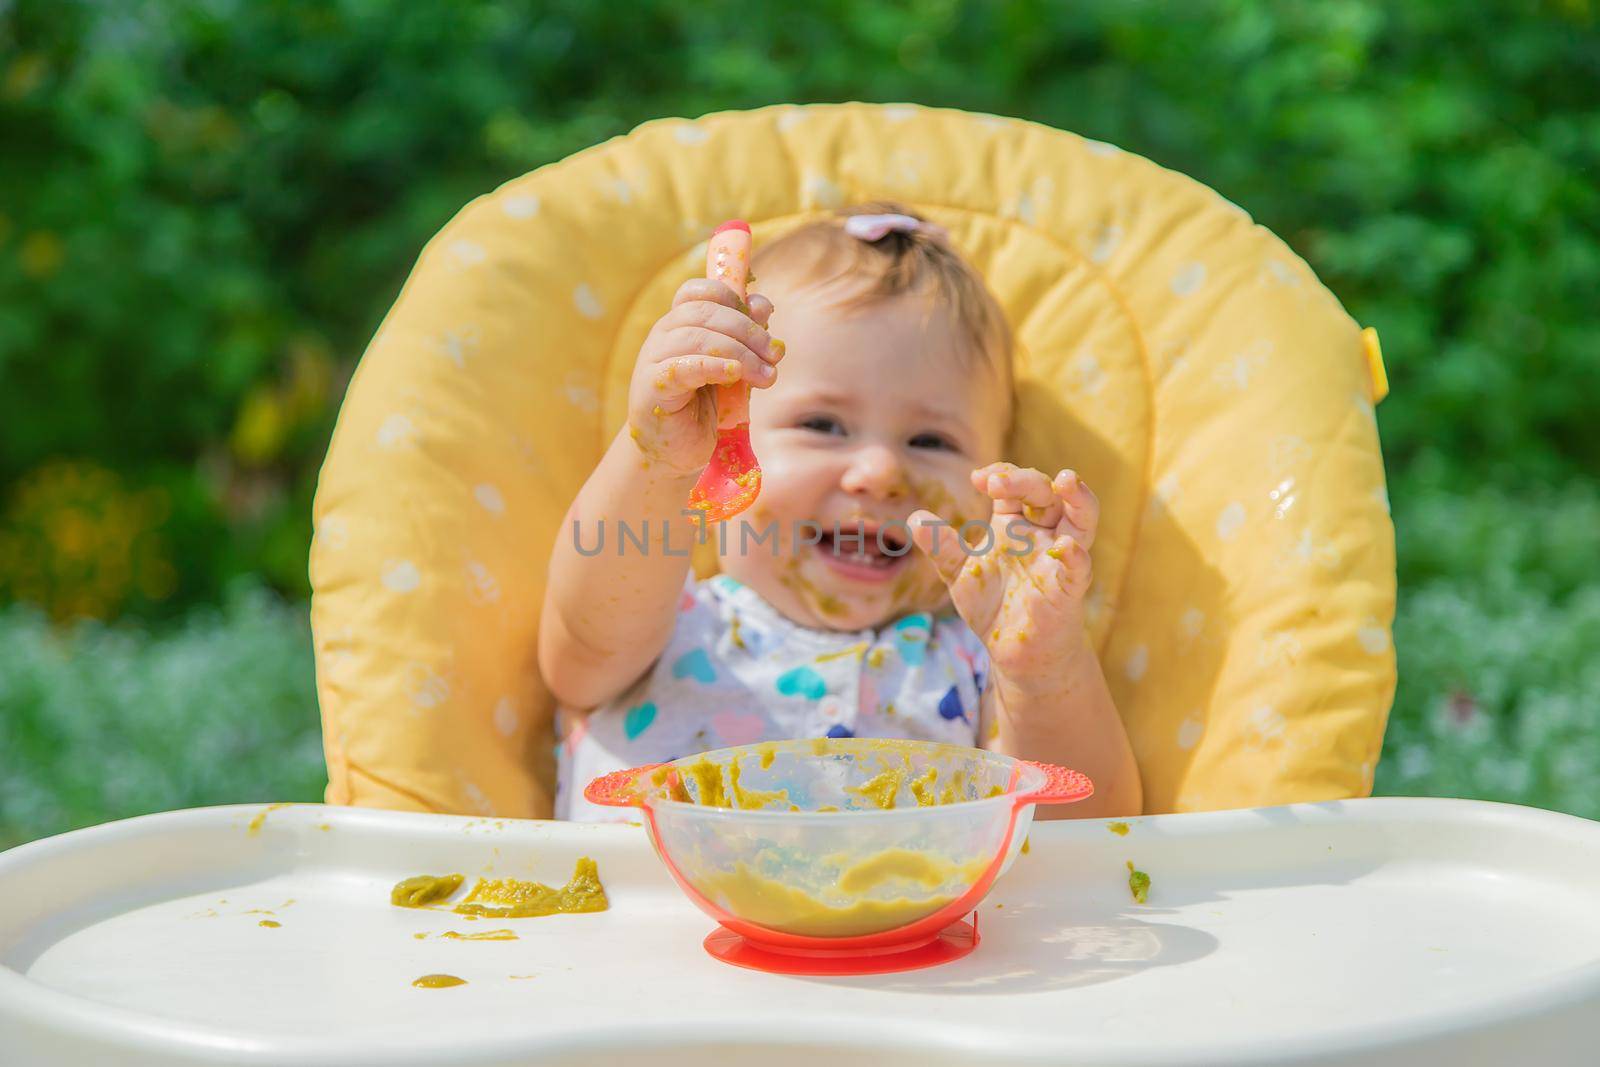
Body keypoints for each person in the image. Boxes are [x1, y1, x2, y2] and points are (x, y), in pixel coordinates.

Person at [540, 201, 1140, 821]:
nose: (879, 473)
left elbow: (1094, 826)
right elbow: (577, 657)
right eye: (823, 425)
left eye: (931, 441)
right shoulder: (663, 618)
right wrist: (656, 462)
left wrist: (1042, 667)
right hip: (635, 915)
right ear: (723, 441)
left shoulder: (980, 666)